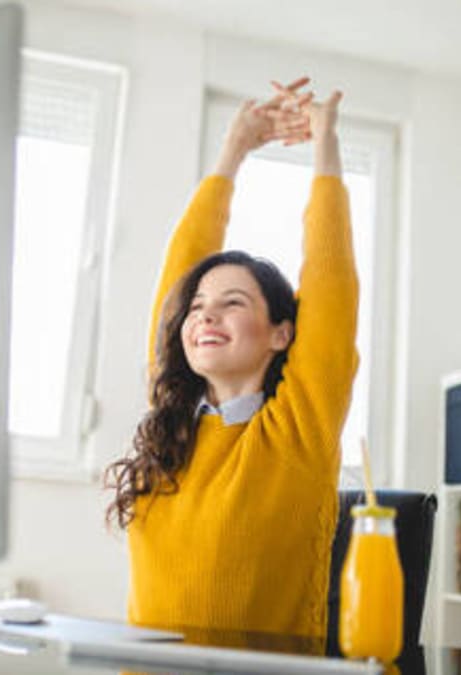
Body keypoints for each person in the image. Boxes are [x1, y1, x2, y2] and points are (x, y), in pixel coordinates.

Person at [104, 77, 359, 647]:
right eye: (198, 307)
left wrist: (325, 144)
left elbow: (331, 278)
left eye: (232, 304)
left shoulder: (299, 428)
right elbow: (179, 278)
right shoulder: (172, 423)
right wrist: (233, 151)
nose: (204, 317)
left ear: (281, 333)